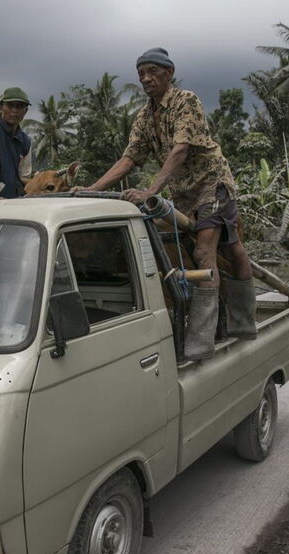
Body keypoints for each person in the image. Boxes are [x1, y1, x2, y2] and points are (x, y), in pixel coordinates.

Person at [77, 47, 256, 360]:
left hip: (212, 184)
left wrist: (150, 192)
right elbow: (129, 158)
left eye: (152, 72)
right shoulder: (145, 117)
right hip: (183, 192)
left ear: (168, 73)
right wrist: (90, 189)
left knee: (210, 251)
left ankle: (212, 335)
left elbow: (180, 150)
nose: (146, 79)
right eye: (141, 74)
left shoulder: (186, 101)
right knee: (170, 244)